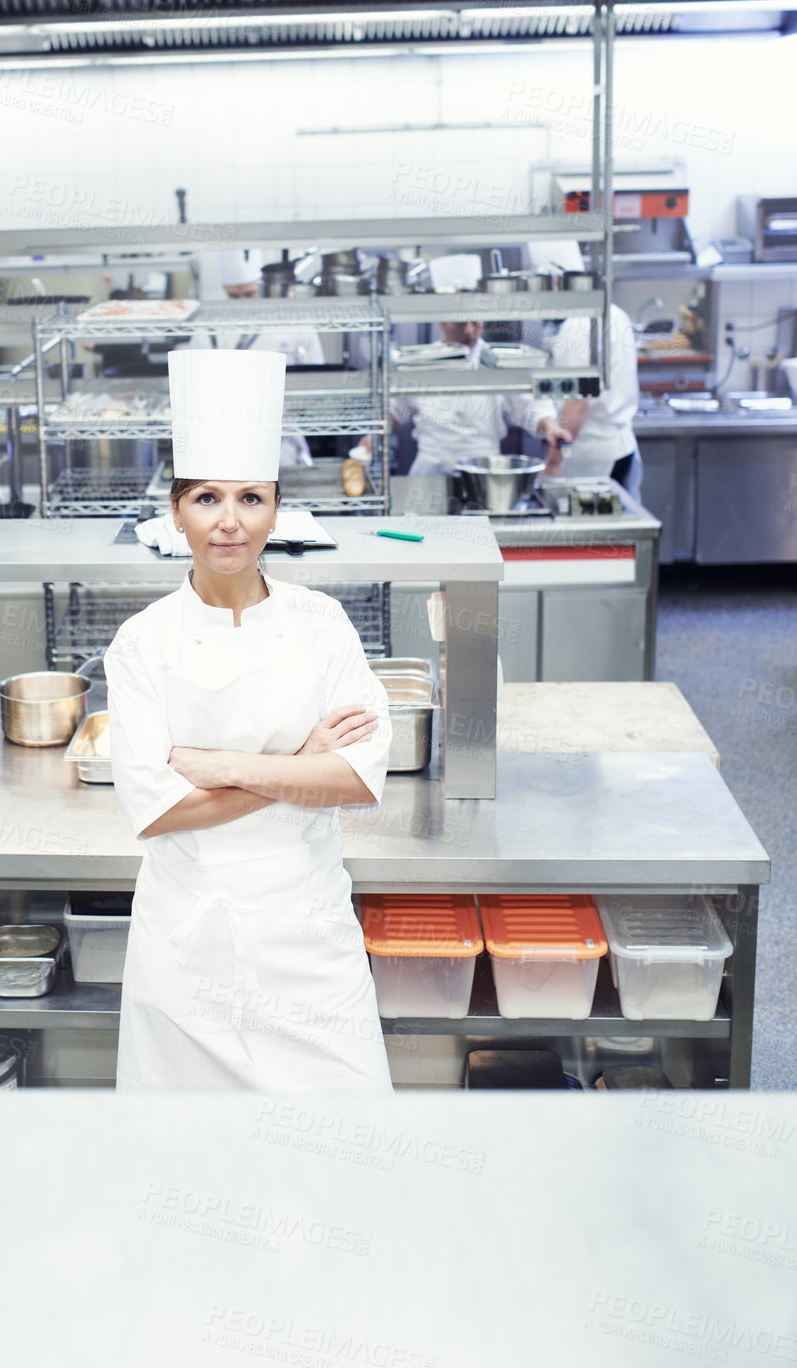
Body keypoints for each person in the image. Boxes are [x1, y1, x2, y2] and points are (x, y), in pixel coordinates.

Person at [104, 347, 393, 1092]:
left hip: (308, 941)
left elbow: (358, 778)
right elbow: (158, 810)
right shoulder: (142, 642)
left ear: (275, 506)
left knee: (346, 1146)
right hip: (186, 948)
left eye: (249, 498)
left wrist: (229, 766)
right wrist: (300, 764)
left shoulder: (322, 623)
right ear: (175, 510)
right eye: (205, 498)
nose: (228, 522)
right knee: (190, 1171)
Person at [189, 249, 324, 464]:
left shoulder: (294, 323)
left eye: (249, 294)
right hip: (225, 441)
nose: (242, 302)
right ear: (225, 291)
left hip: (282, 444)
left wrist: (286, 407)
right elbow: (192, 382)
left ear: (262, 287)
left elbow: (319, 382)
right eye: (234, 296)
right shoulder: (209, 328)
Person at [403, 320, 568, 474]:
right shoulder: (421, 362)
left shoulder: (499, 362)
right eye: (460, 324)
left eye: (475, 323)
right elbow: (393, 411)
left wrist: (552, 429)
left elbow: (532, 410)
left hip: (485, 468)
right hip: (432, 468)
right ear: (441, 323)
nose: (469, 331)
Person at [547, 302, 642, 501]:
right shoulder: (617, 314)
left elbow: (577, 401)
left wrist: (554, 462)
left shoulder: (576, 327)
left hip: (592, 457)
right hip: (623, 447)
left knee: (591, 530)